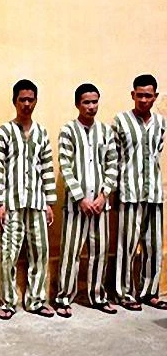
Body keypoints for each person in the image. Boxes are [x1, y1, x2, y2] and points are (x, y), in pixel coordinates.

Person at [0, 80, 57, 320]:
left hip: (37, 203)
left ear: (36, 101)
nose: (26, 104)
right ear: (15, 101)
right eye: (22, 99)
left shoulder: (41, 133)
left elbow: (47, 168)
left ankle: (36, 300)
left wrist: (49, 203)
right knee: (8, 254)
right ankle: (8, 302)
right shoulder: (4, 132)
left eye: (30, 99)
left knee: (40, 253)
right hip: (12, 204)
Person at [54, 84, 118, 317]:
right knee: (70, 253)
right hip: (76, 206)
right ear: (77, 104)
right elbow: (65, 166)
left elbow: (112, 165)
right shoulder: (68, 131)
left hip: (100, 205)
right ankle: (63, 298)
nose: (91, 106)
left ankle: (97, 296)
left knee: (99, 252)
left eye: (94, 102)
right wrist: (80, 198)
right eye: (86, 102)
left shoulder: (106, 132)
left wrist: (103, 195)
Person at [112, 74, 166, 310]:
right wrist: (114, 191)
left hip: (153, 193)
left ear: (155, 97)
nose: (143, 100)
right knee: (127, 245)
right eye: (140, 95)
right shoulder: (121, 121)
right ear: (132, 95)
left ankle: (149, 292)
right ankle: (123, 293)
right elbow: (114, 158)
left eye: (148, 95)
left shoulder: (161, 123)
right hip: (129, 192)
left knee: (154, 245)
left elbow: (157, 152)